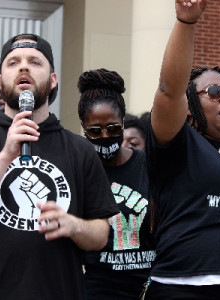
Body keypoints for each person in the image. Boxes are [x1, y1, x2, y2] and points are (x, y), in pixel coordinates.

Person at [0, 34, 119, 299]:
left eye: (35, 62)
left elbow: (102, 236)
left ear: (52, 80)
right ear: (0, 82)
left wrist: (74, 226)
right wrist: (6, 155)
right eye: (13, 62)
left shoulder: (80, 150)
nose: (24, 67)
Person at [144, 1, 220, 299]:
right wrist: (186, 22)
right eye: (213, 92)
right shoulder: (180, 143)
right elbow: (168, 90)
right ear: (189, 108)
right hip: (184, 288)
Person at [77, 68, 156, 299]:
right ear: (84, 128)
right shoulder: (80, 172)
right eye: (94, 130)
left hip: (149, 287)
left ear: (122, 122)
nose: (104, 135)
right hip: (98, 289)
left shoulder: (149, 166)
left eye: (112, 128)